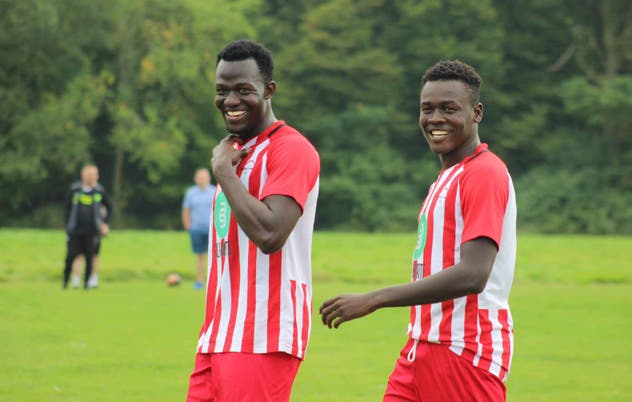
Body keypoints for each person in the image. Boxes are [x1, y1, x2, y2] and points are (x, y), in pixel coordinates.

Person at [319, 60, 517, 402]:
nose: (435, 119)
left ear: (477, 113)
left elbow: (474, 274)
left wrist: (374, 299)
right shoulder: (448, 176)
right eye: (427, 109)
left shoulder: (484, 173)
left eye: (449, 109)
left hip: (463, 350)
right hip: (421, 348)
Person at [186, 40, 320, 401]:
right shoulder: (235, 152)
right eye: (222, 91)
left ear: (269, 90)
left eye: (244, 90)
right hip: (219, 332)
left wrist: (222, 173)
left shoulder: (290, 149)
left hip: (264, 331)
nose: (230, 101)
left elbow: (270, 232)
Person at [62, 164, 112, 290]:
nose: (93, 177)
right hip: (76, 229)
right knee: (75, 256)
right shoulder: (75, 190)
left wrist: (104, 223)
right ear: (83, 175)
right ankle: (73, 281)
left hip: (93, 230)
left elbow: (109, 207)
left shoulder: (99, 191)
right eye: (90, 174)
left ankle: (90, 282)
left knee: (93, 256)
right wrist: (67, 225)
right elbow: (67, 209)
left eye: (95, 174)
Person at [182, 168, 215, 289]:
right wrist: (187, 226)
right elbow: (186, 210)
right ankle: (199, 280)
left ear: (208, 178)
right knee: (200, 256)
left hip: (212, 229)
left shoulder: (214, 191)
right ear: (196, 179)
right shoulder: (190, 193)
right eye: (199, 177)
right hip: (196, 228)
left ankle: (213, 281)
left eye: (204, 177)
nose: (201, 180)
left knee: (215, 255)